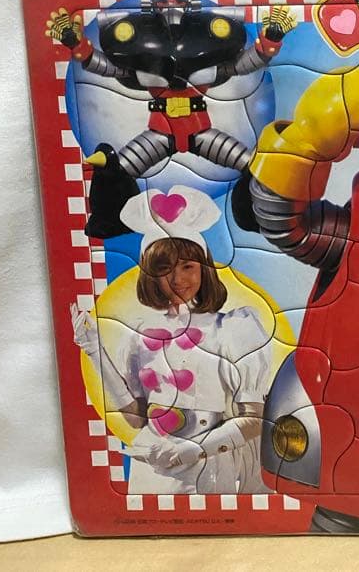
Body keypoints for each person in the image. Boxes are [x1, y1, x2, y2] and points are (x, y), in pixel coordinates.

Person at [72, 185, 271, 494]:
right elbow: (135, 418)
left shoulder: (235, 328)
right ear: (150, 275)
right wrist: (94, 350)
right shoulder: (140, 335)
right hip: (152, 465)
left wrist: (195, 449)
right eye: (164, 270)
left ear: (205, 268)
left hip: (209, 466)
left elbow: (254, 419)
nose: (178, 279)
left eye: (188, 266)